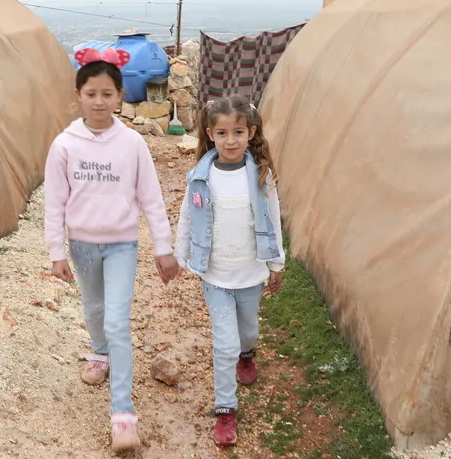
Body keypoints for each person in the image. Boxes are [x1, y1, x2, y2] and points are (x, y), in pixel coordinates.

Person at [44, 46, 181, 451]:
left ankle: (122, 412)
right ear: (79, 96)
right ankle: (99, 353)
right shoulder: (64, 145)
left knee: (118, 319)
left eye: (108, 94)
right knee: (96, 309)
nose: (99, 101)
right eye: (91, 94)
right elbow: (55, 203)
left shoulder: (133, 143)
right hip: (83, 245)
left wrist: (164, 246)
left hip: (122, 243)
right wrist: (56, 251)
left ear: (120, 96)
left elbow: (151, 198)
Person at [174, 94, 286, 447]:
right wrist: (180, 257)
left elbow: (274, 220)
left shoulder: (261, 177)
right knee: (224, 343)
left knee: (247, 333)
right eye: (222, 133)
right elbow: (186, 218)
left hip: (250, 274)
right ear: (210, 134)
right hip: (216, 277)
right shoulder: (200, 177)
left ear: (251, 132)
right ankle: (225, 409)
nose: (231, 140)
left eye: (239, 132)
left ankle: (248, 355)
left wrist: (276, 263)